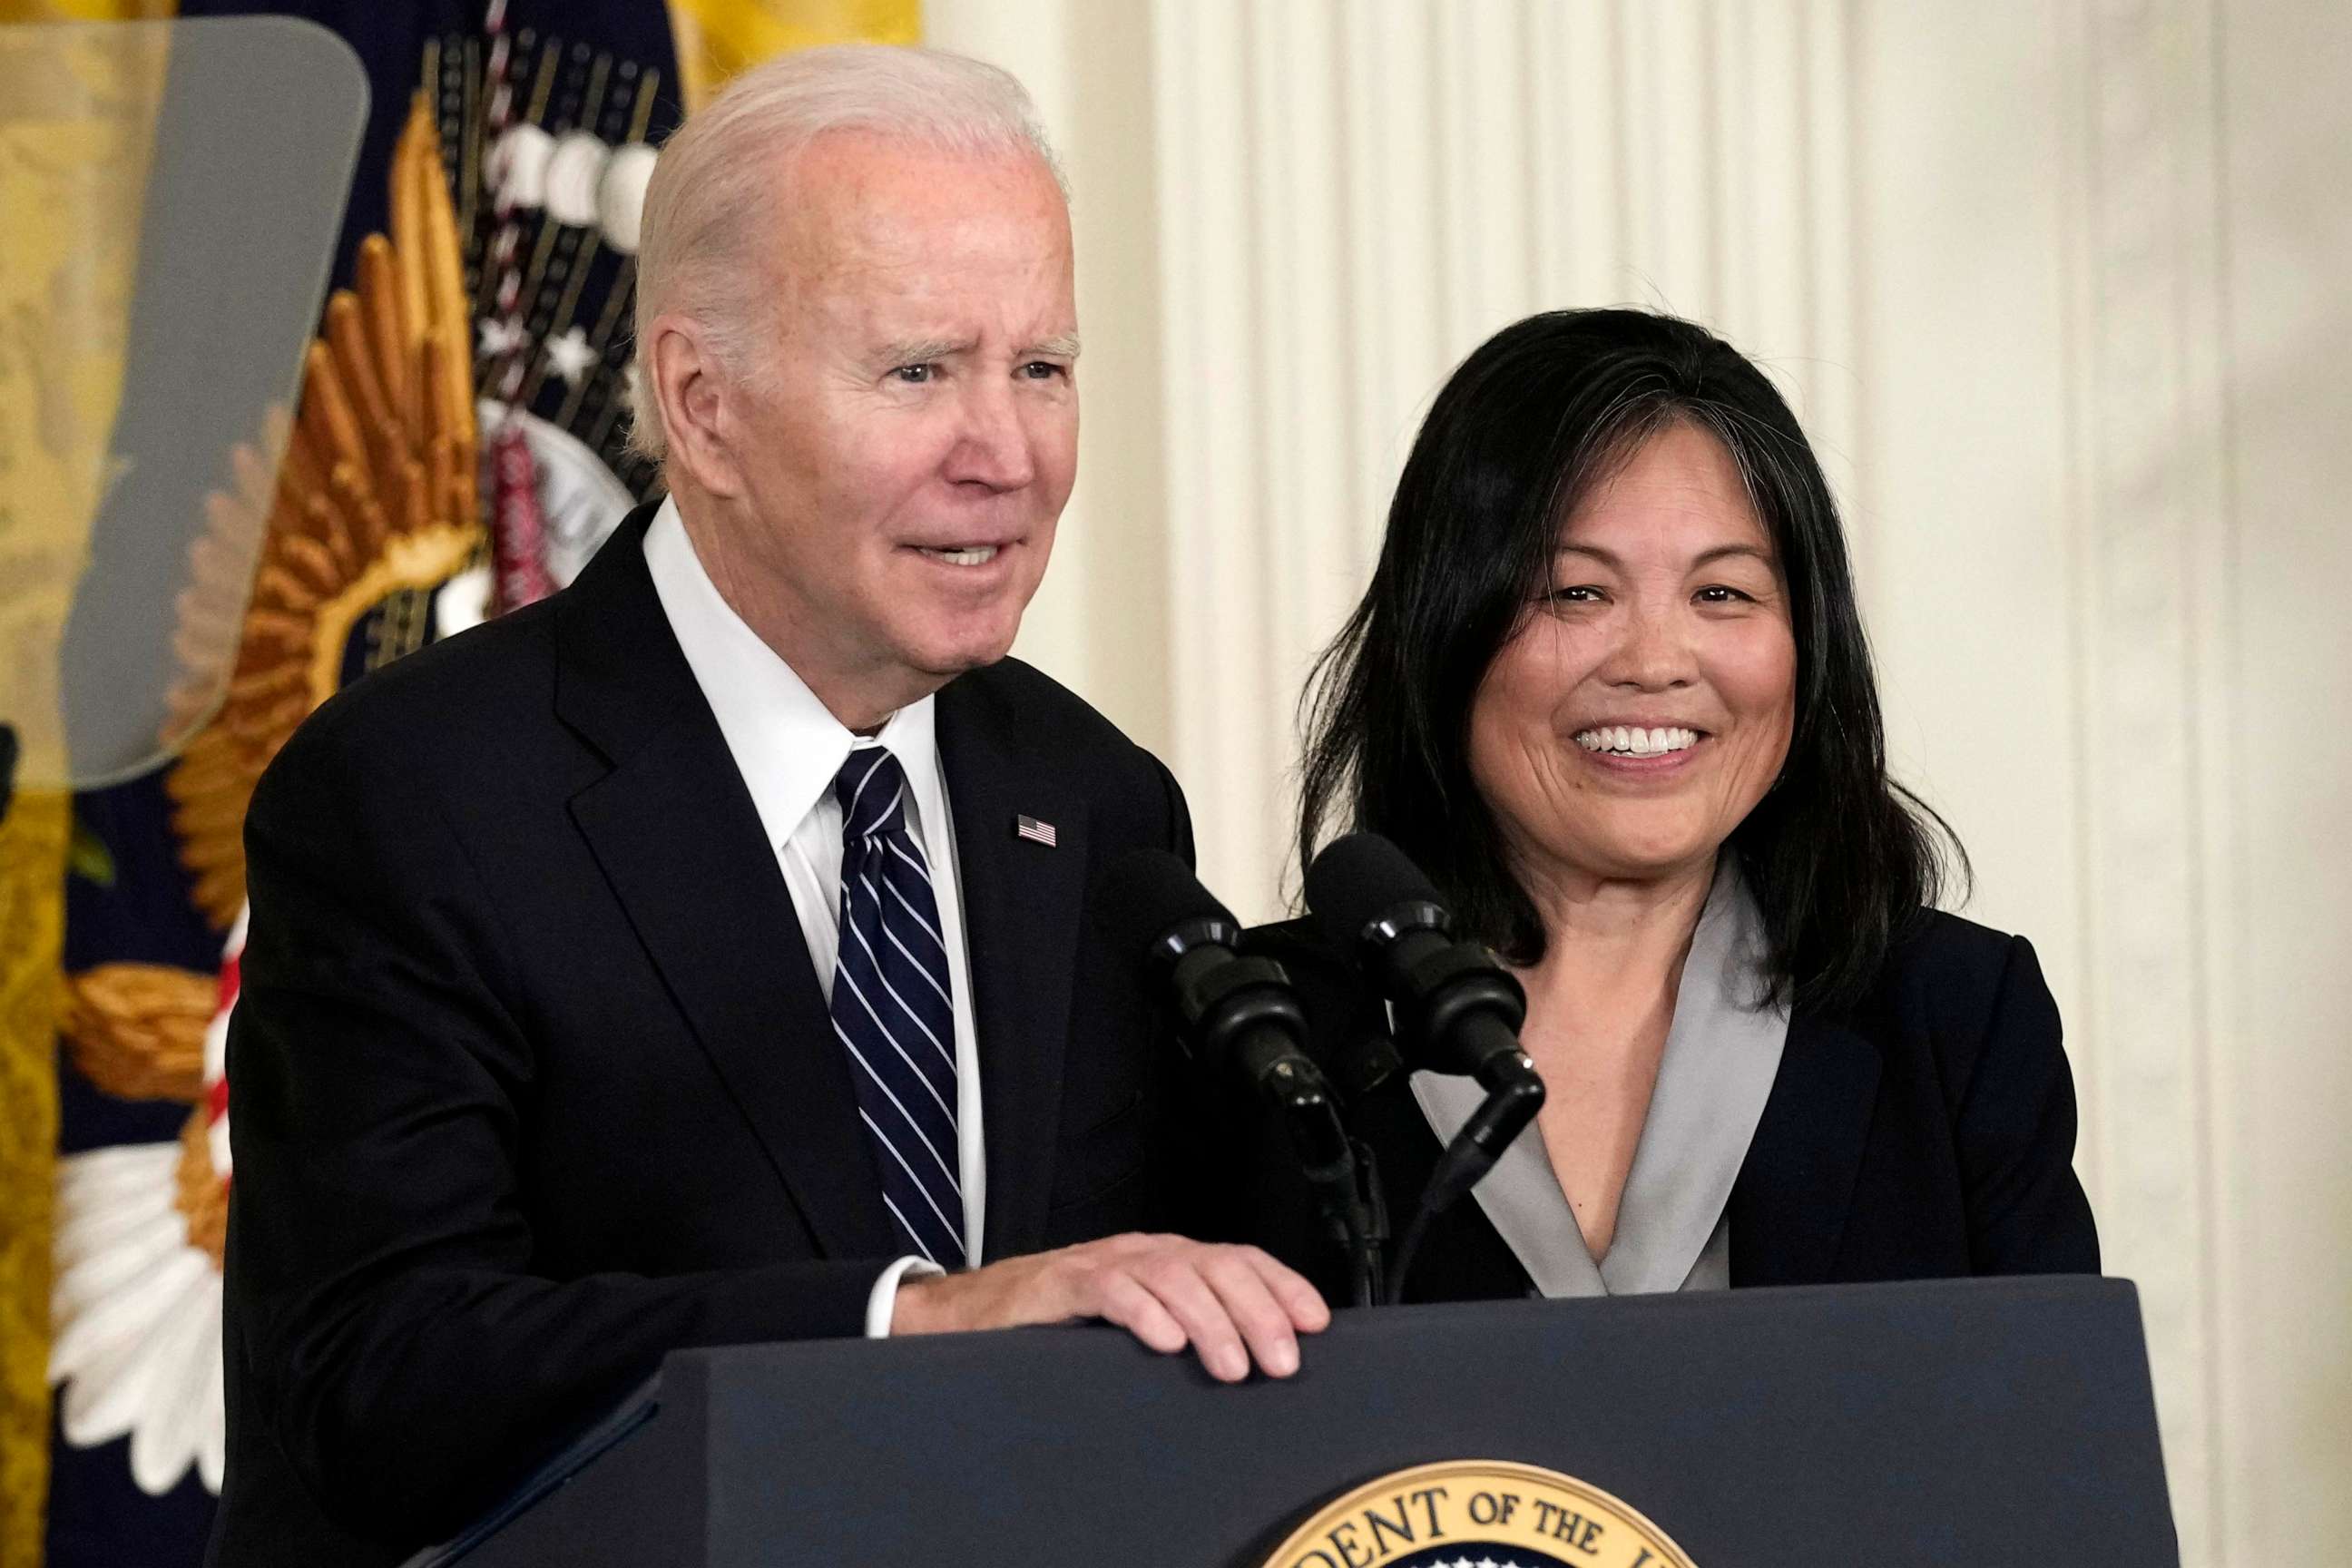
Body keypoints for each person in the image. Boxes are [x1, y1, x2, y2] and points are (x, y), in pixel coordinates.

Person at [209, 47, 1323, 1567]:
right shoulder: (415, 792)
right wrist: (904, 1320)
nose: (1006, 455)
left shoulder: (1097, 801)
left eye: (1041, 368)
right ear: (703, 403)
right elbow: (386, 1367)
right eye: (920, 369)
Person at [1247, 308, 2097, 1305]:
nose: (1654, 664)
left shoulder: (1954, 1020)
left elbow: (2051, 1444)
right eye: (1575, 593)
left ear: (1807, 645)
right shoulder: (1260, 1041)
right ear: (1446, 633)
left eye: (1724, 595)